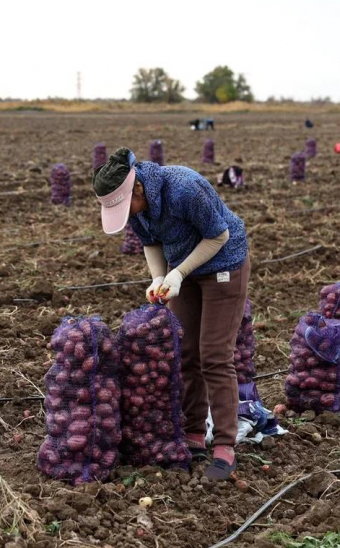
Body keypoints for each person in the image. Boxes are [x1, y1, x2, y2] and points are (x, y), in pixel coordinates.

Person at [93, 147, 250, 480]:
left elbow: (218, 236)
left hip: (224, 264)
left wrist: (178, 273)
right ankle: (194, 433)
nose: (128, 215)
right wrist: (159, 277)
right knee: (187, 352)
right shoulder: (137, 206)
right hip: (184, 268)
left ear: (137, 189)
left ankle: (225, 445)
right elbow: (150, 242)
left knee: (214, 355)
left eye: (127, 207)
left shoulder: (184, 187)